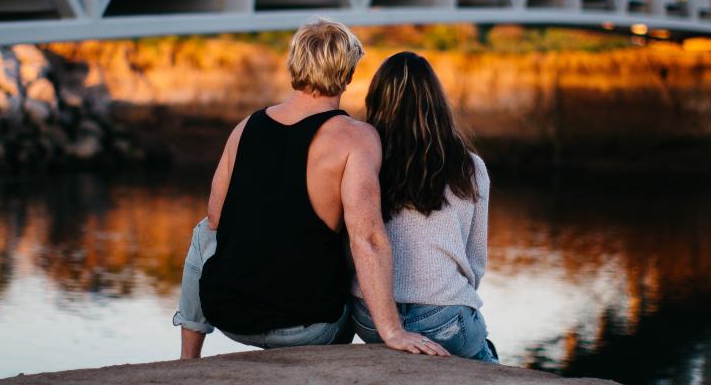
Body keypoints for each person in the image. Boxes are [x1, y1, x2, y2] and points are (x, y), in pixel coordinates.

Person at [173, 19, 449, 359]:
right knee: (351, 238)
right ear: (347, 75)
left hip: (231, 317)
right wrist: (392, 330)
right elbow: (369, 238)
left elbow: (216, 219)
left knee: (204, 230)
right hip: (311, 329)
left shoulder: (246, 126)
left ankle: (188, 358)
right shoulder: (357, 138)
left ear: (294, 65)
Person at [350, 51, 498, 363]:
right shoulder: (469, 166)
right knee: (486, 357)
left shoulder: (362, 161)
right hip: (443, 317)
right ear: (436, 101)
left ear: (376, 99)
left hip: (369, 316)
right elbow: (475, 260)